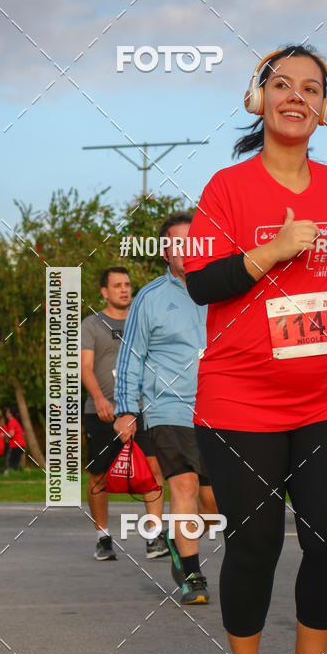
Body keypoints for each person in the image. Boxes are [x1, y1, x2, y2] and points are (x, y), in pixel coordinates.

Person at [184, 45, 327, 654]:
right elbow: (201, 281)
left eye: (311, 87)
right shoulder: (226, 188)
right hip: (240, 400)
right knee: (255, 544)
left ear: (324, 108)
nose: (295, 95)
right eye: (282, 84)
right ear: (257, 98)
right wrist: (270, 251)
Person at [114, 214, 218, 604]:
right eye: (180, 244)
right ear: (165, 252)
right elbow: (131, 356)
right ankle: (192, 575)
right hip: (169, 409)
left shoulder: (223, 292)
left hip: (218, 411)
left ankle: (178, 539)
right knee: (185, 487)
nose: (189, 250)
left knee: (214, 504)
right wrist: (126, 409)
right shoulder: (151, 298)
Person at [82, 267, 165, 562]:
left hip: (143, 410)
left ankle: (154, 537)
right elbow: (85, 368)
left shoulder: (144, 322)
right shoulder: (91, 324)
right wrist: (100, 399)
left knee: (153, 472)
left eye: (127, 285)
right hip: (102, 411)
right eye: (117, 286)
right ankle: (103, 538)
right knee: (99, 476)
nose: (124, 290)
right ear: (104, 292)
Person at [4, 406, 26, 472]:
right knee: (16, 462)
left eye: (7, 412)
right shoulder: (16, 421)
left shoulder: (11, 422)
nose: (6, 413)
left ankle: (10, 474)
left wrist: (4, 435)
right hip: (21, 445)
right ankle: (16, 474)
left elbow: (11, 434)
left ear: (10, 414)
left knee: (10, 461)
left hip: (15, 445)